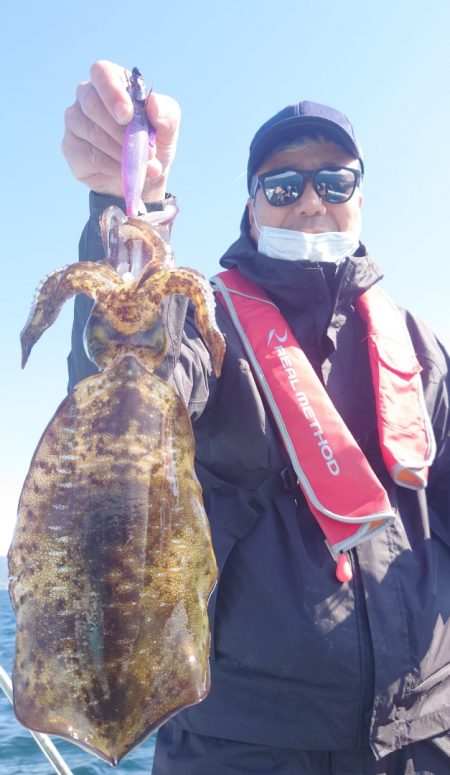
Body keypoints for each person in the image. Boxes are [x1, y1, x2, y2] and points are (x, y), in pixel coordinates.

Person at [62, 60, 450, 774]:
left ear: (360, 199)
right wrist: (126, 208)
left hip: (427, 735)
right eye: (283, 185)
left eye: (336, 181)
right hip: (242, 742)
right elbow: (122, 390)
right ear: (252, 209)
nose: (311, 202)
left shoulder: (421, 349)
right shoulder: (205, 328)